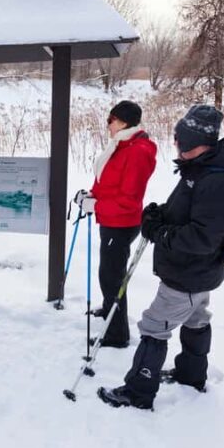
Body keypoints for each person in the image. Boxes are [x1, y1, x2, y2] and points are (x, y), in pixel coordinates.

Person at [98, 104, 224, 410]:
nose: (175, 144)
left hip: (188, 273)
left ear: (193, 141)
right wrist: (158, 214)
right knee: (196, 317)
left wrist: (160, 233)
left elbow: (203, 237)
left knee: (154, 325)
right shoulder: (200, 170)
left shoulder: (218, 182)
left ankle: (138, 391)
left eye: (179, 139)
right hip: (197, 273)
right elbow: (183, 212)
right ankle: (191, 374)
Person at [75, 100, 157, 348]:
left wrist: (96, 206)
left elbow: (129, 201)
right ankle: (110, 309)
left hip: (121, 223)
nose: (107, 125)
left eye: (110, 120)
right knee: (108, 273)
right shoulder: (121, 146)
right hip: (110, 220)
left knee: (112, 277)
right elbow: (108, 183)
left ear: (123, 122)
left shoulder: (137, 152)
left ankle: (117, 334)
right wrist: (91, 196)